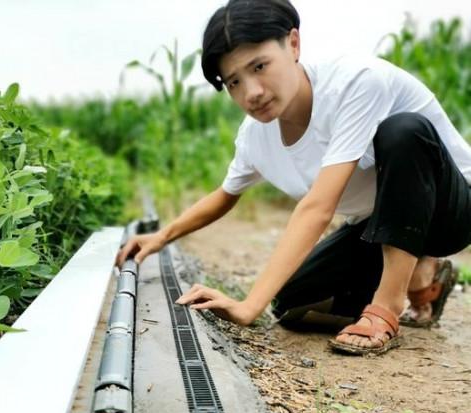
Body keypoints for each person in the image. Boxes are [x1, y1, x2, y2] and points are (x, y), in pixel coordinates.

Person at [116, 0, 471, 355]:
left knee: (403, 130)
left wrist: (248, 306)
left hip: (449, 209)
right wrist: (161, 237)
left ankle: (389, 303)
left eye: (260, 66)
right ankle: (424, 276)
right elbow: (225, 195)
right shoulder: (256, 135)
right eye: (234, 81)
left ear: (294, 44)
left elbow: (318, 208)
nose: (251, 92)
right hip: (379, 222)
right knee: (293, 300)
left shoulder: (355, 82)